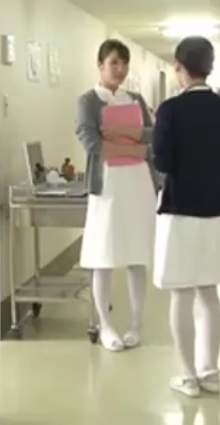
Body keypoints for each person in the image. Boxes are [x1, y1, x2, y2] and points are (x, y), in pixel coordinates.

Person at [152, 36, 220, 397]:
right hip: (219, 208)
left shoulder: (170, 110)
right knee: (210, 293)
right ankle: (210, 371)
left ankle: (187, 375)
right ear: (209, 67)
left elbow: (162, 161)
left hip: (181, 209)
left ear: (179, 67)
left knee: (181, 294)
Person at [75, 39, 157, 352]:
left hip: (138, 184)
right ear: (100, 65)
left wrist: (121, 136)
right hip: (107, 186)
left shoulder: (135, 99)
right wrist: (133, 144)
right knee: (103, 257)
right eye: (113, 62)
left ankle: (136, 324)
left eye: (124, 63)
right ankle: (106, 326)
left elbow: (151, 137)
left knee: (137, 256)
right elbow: (91, 141)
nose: (119, 69)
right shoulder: (87, 101)